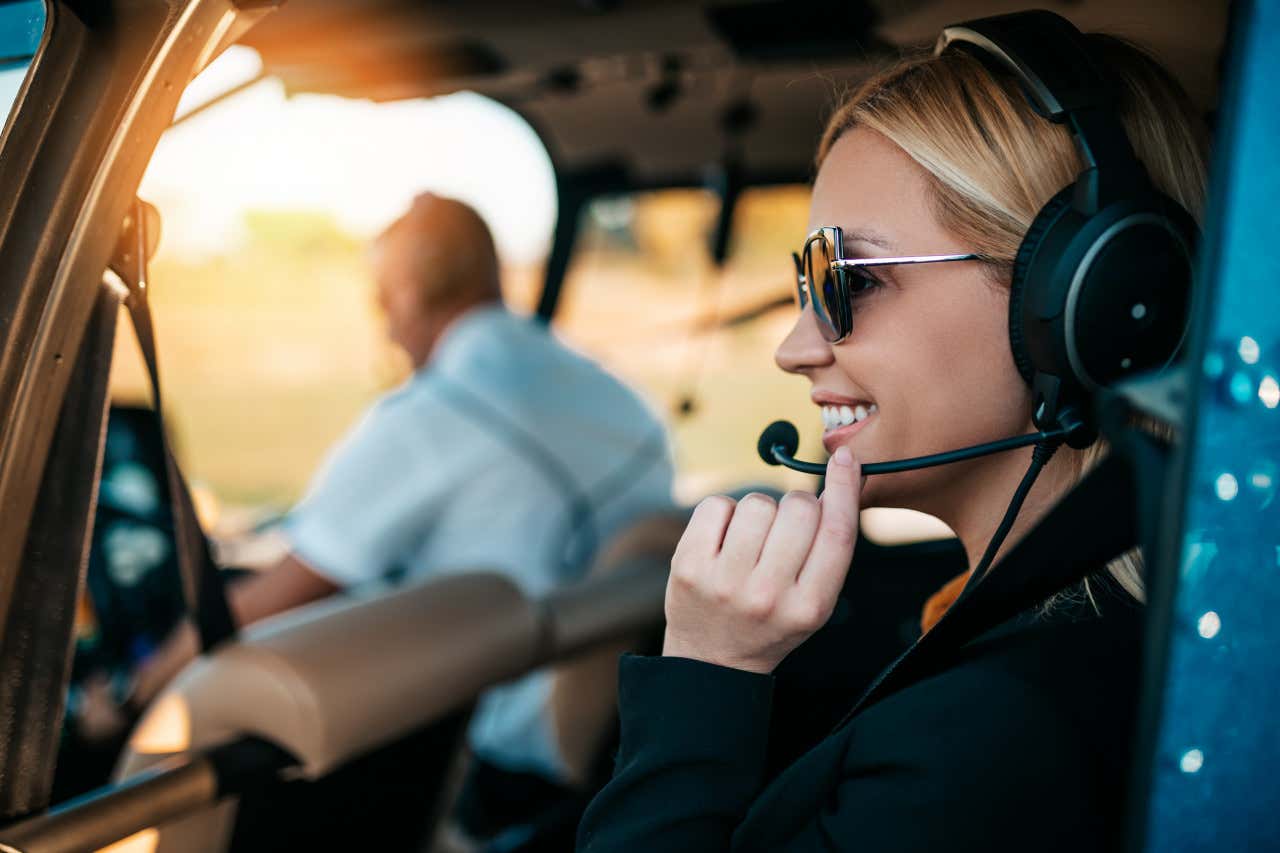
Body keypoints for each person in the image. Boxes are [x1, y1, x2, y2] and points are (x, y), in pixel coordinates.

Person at [577, 15, 1205, 853]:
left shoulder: (983, 743)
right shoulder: (1086, 642)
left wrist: (706, 673)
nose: (795, 347)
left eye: (850, 279)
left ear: (1091, 300)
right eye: (806, 280)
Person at [128, 193, 674, 815]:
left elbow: (280, 595)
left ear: (409, 296)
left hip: (496, 759)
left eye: (381, 300)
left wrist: (141, 684)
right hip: (620, 730)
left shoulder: (435, 411)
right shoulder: (616, 393)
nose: (384, 325)